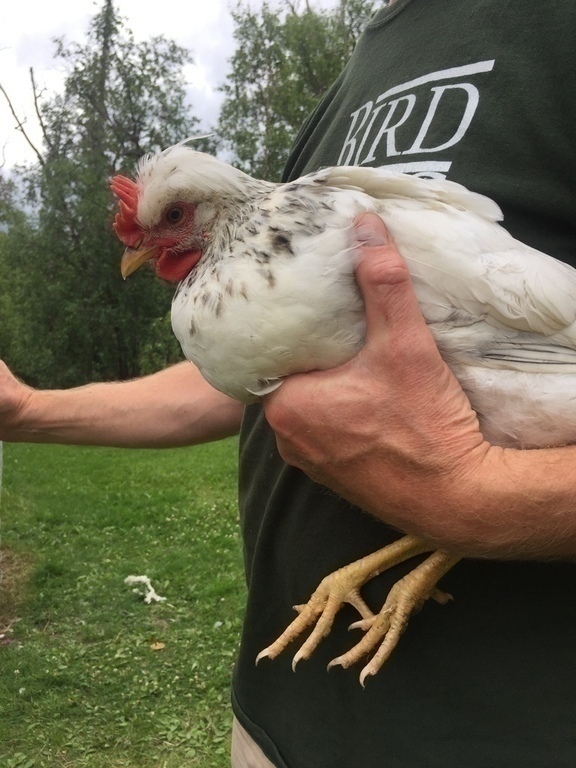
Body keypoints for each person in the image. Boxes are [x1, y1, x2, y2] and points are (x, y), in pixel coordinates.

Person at [2, 0, 576, 765]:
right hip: (278, 716)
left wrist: (466, 503)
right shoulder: (363, 66)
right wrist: (25, 410)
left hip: (494, 732)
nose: (146, 248)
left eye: (172, 219)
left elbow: (478, 419)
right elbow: (262, 382)